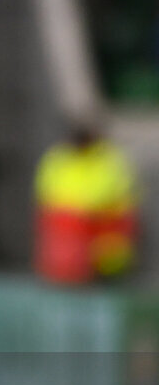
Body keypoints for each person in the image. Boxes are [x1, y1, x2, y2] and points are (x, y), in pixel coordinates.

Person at [33, 121, 140, 284]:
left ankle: (103, 273)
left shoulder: (110, 159)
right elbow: (46, 192)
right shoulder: (58, 158)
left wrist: (88, 211)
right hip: (69, 226)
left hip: (104, 225)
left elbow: (117, 192)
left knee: (108, 260)